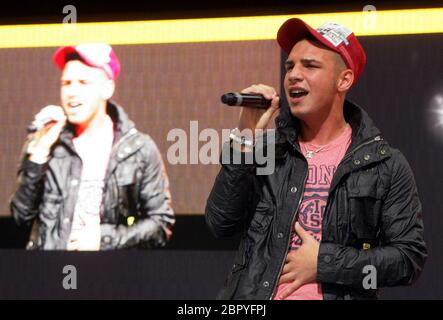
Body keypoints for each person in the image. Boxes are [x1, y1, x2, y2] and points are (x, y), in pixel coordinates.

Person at [205, 18, 427, 299]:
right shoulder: (266, 151)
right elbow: (220, 223)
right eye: (289, 66)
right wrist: (245, 135)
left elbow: (408, 259)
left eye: (309, 65)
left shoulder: (385, 164)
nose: (293, 75)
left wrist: (324, 262)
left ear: (343, 79)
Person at [10, 43, 175, 250]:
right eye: (66, 83)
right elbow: (21, 216)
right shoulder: (48, 142)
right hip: (49, 270)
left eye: (83, 82)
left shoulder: (138, 149)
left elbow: (160, 224)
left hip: (109, 274)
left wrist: (105, 239)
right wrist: (39, 153)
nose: (72, 92)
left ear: (107, 88)